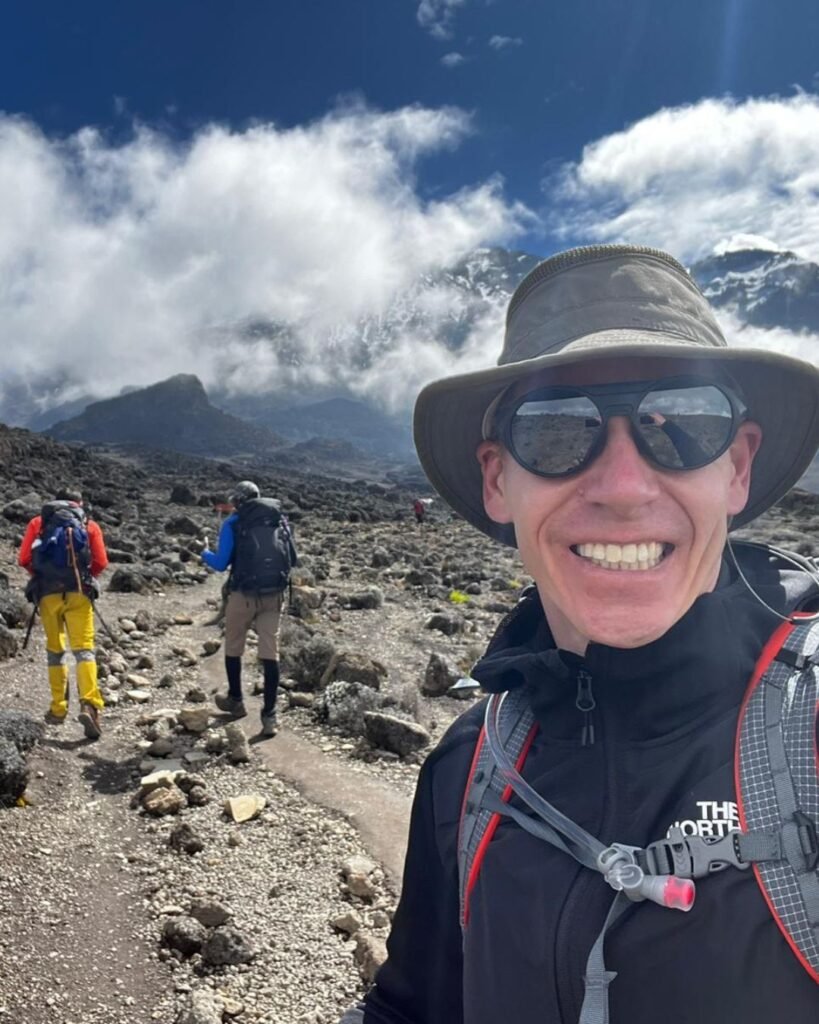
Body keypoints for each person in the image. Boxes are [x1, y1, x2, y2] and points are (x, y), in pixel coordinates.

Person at [340, 245, 819, 1023]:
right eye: (557, 432)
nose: (624, 488)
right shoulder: (467, 772)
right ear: (499, 480)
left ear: (736, 465)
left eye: (681, 425)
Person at [201, 480, 297, 737]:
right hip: (274, 595)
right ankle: (269, 716)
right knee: (270, 653)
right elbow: (294, 559)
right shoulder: (280, 520)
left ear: (239, 500)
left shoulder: (233, 522)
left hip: (243, 594)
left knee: (234, 645)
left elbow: (221, 564)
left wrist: (204, 553)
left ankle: (236, 700)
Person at [18, 489, 109, 739]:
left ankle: (58, 708)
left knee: (55, 650)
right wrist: (84, 577)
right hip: (79, 594)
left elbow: (24, 558)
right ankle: (90, 704)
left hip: (47, 595)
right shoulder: (88, 524)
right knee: (84, 650)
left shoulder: (38, 523)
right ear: (79, 504)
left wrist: (42, 576)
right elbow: (101, 562)